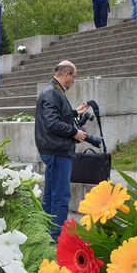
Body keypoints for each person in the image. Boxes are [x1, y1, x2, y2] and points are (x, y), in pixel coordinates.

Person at [34, 61, 89, 241]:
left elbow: (57, 116)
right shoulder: (51, 92)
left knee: (50, 194)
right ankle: (56, 236)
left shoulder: (52, 90)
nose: (73, 82)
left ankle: (45, 232)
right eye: (73, 77)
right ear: (66, 74)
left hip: (54, 149)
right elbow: (52, 123)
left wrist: (74, 113)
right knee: (60, 195)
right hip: (57, 150)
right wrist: (75, 132)